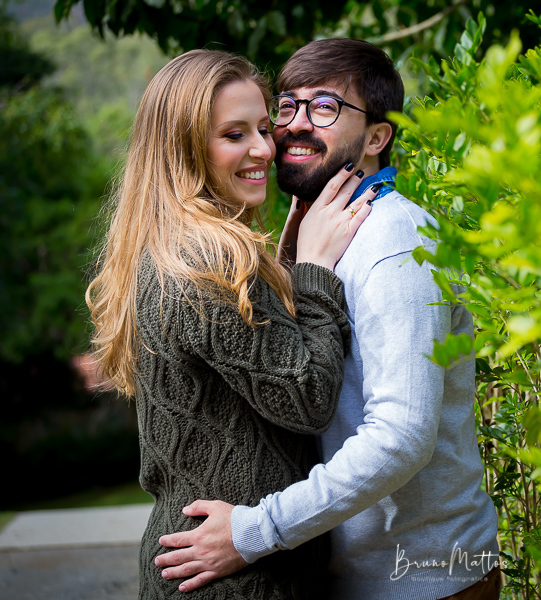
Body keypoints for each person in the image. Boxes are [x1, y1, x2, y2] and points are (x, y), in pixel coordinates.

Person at [155, 39, 502, 599]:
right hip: (349, 578)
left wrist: (253, 530)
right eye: (287, 106)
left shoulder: (394, 240)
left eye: (324, 107)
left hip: (422, 581)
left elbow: (401, 436)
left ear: (375, 138)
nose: (294, 125)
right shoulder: (324, 236)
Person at [85, 48, 376, 598]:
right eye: (234, 134)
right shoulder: (207, 259)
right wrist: (314, 272)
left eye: (265, 127)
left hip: (204, 561)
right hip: (234, 578)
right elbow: (308, 395)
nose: (266, 149)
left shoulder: (169, 249)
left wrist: (287, 271)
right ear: (184, 148)